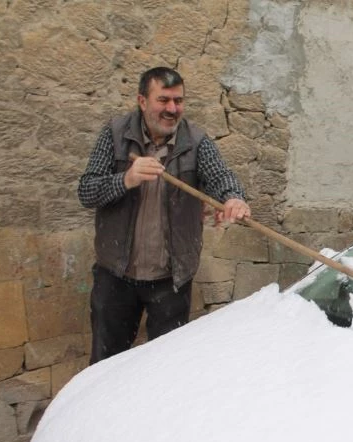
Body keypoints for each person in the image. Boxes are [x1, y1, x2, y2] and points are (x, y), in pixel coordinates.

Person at [78, 66, 250, 364]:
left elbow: (221, 177)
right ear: (142, 101)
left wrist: (234, 199)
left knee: (164, 368)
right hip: (116, 276)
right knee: (106, 366)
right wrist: (126, 179)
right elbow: (86, 191)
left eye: (178, 100)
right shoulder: (116, 134)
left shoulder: (195, 142)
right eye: (164, 100)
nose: (172, 109)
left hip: (171, 279)